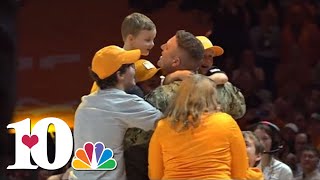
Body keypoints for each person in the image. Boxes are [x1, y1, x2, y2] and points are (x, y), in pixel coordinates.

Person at [125, 29, 246, 179]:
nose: (162, 47)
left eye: (167, 47)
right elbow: (240, 110)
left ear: (176, 61)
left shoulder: (161, 96)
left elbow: (134, 138)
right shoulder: (224, 90)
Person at [71, 45, 162, 180]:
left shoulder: (85, 104)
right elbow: (164, 122)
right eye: (131, 66)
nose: (134, 69)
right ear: (119, 75)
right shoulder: (123, 102)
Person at [148, 74, 248, 180]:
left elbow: (155, 174)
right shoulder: (226, 122)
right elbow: (240, 170)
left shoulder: (163, 126)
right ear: (212, 96)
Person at [90, 12, 157, 93]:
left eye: (153, 39)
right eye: (147, 40)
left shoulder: (143, 65)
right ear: (131, 39)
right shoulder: (111, 66)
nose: (152, 44)